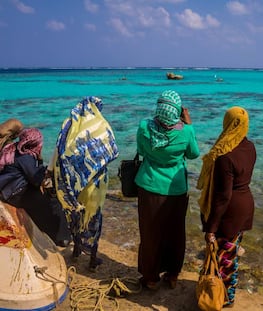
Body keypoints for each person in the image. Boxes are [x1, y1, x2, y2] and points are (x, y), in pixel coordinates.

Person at [135, 90, 200, 290]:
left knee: (150, 233)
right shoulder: (186, 131)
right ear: (177, 111)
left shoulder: (145, 127)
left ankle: (151, 278)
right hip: (176, 190)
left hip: (150, 187)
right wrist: (189, 124)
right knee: (175, 233)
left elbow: (141, 151)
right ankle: (172, 275)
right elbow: (194, 154)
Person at [197, 106, 256, 308]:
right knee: (231, 256)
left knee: (222, 258)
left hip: (229, 212)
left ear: (227, 123)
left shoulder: (224, 155)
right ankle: (228, 296)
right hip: (245, 206)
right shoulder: (250, 147)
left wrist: (211, 228)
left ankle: (220, 299)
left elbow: (223, 197)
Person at [51, 96, 119, 271]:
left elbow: (59, 151)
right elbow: (110, 151)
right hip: (95, 183)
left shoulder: (68, 123)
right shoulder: (102, 125)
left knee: (76, 215)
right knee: (93, 218)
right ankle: (92, 259)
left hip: (75, 183)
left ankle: (76, 251)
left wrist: (53, 171)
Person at [0, 119, 71, 246]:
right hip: (15, 193)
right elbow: (36, 179)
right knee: (51, 202)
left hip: (6, 189)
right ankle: (61, 238)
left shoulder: (8, 148)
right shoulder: (24, 156)